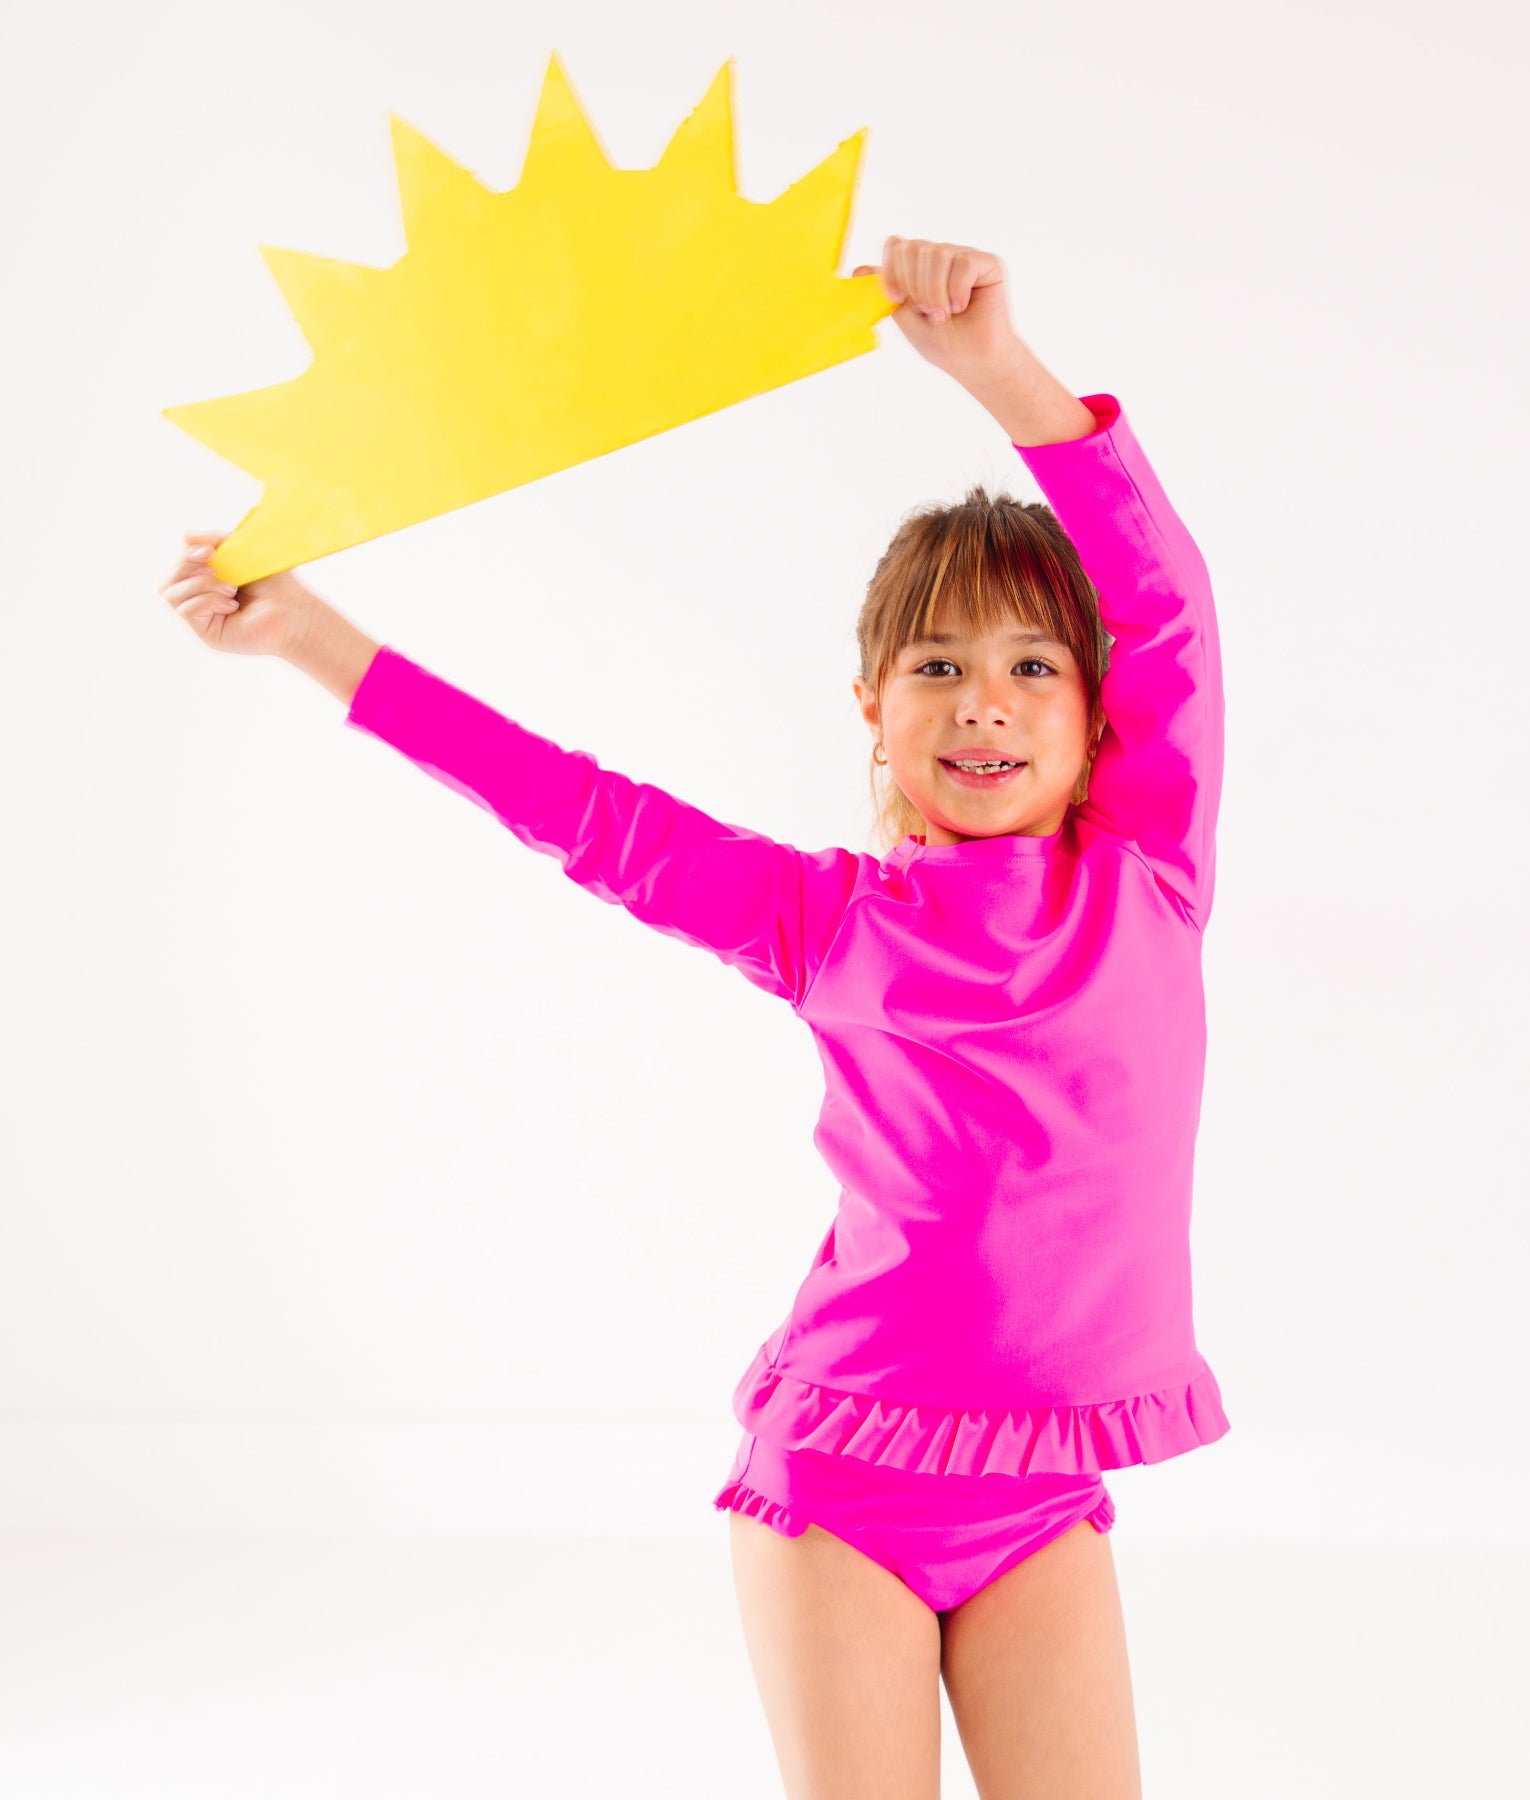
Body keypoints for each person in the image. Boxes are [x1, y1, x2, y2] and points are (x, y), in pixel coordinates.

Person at [160, 235, 1227, 1800]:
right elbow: (572, 808)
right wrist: (314, 639)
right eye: (936, 666)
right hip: (842, 1488)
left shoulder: (1150, 877)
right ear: (874, 708)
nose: (984, 701)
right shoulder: (824, 920)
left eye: (1030, 667)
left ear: (1095, 709)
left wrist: (1001, 370)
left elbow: (1170, 601)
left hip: (1038, 1495)